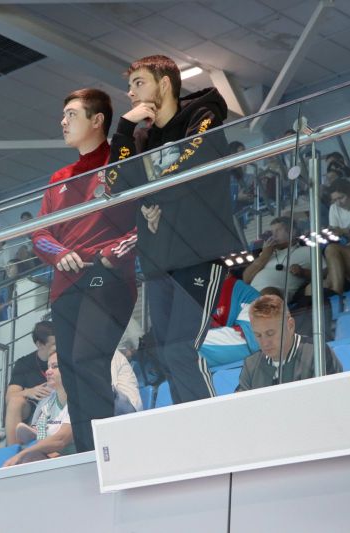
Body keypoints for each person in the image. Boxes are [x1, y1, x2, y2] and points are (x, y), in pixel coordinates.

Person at [105, 55, 243, 406]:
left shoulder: (203, 117)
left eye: (139, 83)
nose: (131, 93)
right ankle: (189, 422)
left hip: (200, 254)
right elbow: (117, 184)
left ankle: (208, 422)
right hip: (158, 262)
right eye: (129, 86)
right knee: (165, 353)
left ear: (164, 84)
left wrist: (151, 198)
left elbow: (190, 167)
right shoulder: (141, 137)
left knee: (182, 348)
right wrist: (123, 128)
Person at [32, 88, 137, 452]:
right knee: (73, 374)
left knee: (86, 361)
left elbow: (144, 217)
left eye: (72, 115)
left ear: (97, 120)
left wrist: (110, 255)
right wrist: (59, 253)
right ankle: (87, 454)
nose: (63, 122)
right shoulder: (59, 177)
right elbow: (40, 233)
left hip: (106, 276)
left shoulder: (120, 163)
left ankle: (106, 452)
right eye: (64, 115)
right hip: (64, 287)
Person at [237, 295, 342, 391]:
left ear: (290, 326)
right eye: (258, 335)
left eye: (270, 333)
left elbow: (332, 397)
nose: (264, 343)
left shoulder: (317, 354)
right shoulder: (251, 366)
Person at [4, 351, 75, 466]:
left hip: (76, 460)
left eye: (55, 366)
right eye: (48, 367)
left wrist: (22, 454)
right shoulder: (46, 401)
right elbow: (39, 434)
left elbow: (60, 440)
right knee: (29, 457)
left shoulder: (78, 399)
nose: (48, 371)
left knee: (26, 457)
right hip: (50, 458)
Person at [4, 321, 56, 445]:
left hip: (58, 408)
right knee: (15, 401)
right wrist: (29, 392)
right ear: (39, 344)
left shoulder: (64, 356)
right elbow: (9, 397)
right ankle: (13, 450)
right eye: (54, 344)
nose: (59, 347)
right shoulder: (24, 364)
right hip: (34, 412)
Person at [243, 217, 313, 303]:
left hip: (273, 297)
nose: (274, 235)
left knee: (268, 292)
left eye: (278, 230)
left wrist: (303, 272)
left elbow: (323, 274)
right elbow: (246, 279)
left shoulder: (307, 251)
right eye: (272, 232)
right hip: (249, 297)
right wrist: (264, 255)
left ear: (292, 232)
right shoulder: (268, 253)